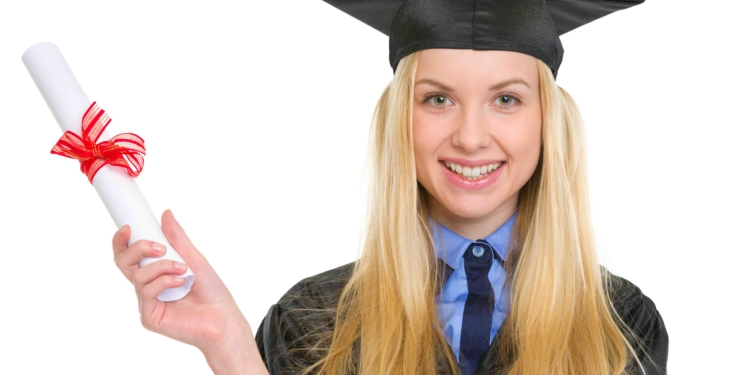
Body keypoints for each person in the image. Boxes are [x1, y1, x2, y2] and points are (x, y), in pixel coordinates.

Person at [111, 1, 668, 374]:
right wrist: (228, 346)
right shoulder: (312, 322)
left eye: (506, 99)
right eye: (438, 98)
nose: (471, 137)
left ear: (549, 121)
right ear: (400, 118)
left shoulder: (618, 324)